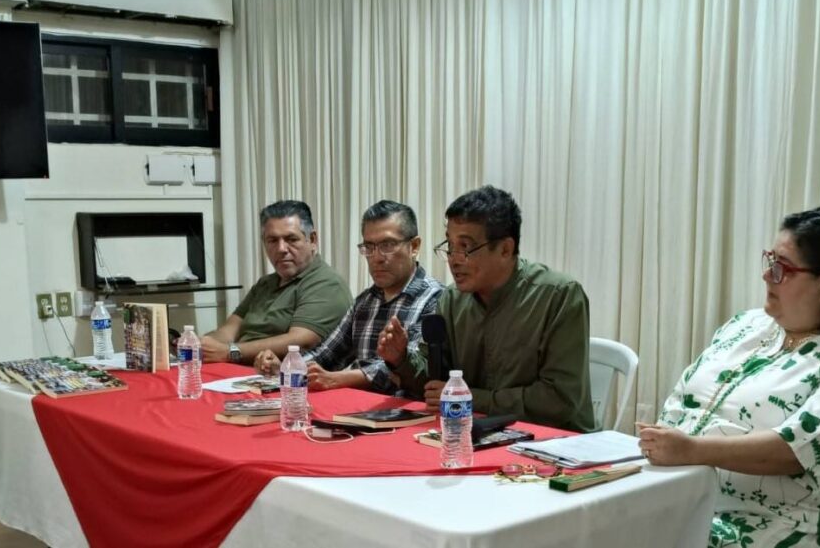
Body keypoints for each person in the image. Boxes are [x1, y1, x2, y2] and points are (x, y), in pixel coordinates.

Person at [638, 206, 820, 547]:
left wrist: (692, 451)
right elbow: (682, 400)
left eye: (782, 268)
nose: (767, 276)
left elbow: (798, 449)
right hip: (673, 500)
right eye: (770, 261)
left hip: (767, 528)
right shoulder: (747, 326)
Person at [377, 185, 595, 432]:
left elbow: (559, 400)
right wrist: (401, 359)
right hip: (477, 432)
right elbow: (436, 385)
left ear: (505, 249)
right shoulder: (452, 300)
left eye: (465, 247)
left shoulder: (558, 295)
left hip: (556, 441)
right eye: (450, 246)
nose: (454, 259)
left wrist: (471, 398)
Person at [253, 200, 444, 394]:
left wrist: (338, 379)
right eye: (369, 247)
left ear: (414, 246)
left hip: (407, 408)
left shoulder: (435, 298)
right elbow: (327, 353)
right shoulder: (365, 301)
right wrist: (288, 367)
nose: (377, 257)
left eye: (388, 245)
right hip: (358, 406)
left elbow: (415, 368)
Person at [200, 200, 352, 365]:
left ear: (312, 239)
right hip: (237, 370)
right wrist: (200, 344)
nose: (281, 249)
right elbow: (228, 331)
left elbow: (301, 341)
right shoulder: (265, 283)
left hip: (282, 376)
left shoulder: (327, 283)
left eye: (291, 239)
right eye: (272, 240)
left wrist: (230, 352)